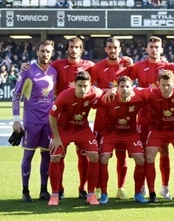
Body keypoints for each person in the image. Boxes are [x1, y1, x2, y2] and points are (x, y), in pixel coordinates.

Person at [48, 71, 103, 206]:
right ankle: (55, 195)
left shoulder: (94, 92)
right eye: (79, 86)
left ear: (90, 85)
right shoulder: (65, 96)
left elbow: (103, 93)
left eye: (85, 86)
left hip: (82, 129)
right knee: (55, 157)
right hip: (63, 129)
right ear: (74, 85)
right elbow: (52, 116)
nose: (82, 89)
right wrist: (56, 138)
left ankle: (91, 194)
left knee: (94, 156)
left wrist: (112, 91)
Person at [130, 36, 174, 200]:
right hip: (144, 116)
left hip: (162, 117)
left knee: (164, 150)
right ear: (146, 49)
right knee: (142, 153)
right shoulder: (138, 66)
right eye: (151, 46)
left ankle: (165, 187)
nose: (154, 49)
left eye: (157, 46)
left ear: (161, 49)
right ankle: (143, 186)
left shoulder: (169, 67)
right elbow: (126, 81)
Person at [50, 37, 96, 200]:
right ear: (67, 49)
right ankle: (59, 189)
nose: (74, 49)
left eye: (77, 47)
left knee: (84, 155)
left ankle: (83, 189)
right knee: (58, 155)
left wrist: (126, 61)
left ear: (81, 49)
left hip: (81, 119)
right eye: (71, 47)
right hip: (62, 116)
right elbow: (42, 71)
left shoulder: (90, 66)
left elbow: (100, 83)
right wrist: (27, 67)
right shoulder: (57, 65)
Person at [11, 40, 57, 202]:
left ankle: (44, 190)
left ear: (52, 53)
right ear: (37, 52)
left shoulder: (53, 71)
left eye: (48, 51)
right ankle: (25, 191)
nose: (45, 54)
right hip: (31, 123)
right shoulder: (28, 71)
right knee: (28, 155)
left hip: (48, 123)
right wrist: (16, 120)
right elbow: (16, 95)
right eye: (42, 51)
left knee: (46, 156)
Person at [88, 37, 133, 200]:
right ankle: (100, 188)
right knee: (102, 155)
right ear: (105, 50)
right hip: (103, 119)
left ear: (120, 49)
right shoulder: (97, 67)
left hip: (123, 118)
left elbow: (135, 86)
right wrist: (105, 92)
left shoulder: (127, 66)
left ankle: (121, 188)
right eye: (109, 48)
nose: (112, 50)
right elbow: (90, 89)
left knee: (122, 156)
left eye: (115, 47)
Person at [97, 76, 148, 204]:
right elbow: (94, 91)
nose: (125, 89)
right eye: (122, 87)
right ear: (117, 88)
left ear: (132, 88)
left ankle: (138, 193)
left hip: (130, 134)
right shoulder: (109, 98)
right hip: (110, 133)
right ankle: (103, 193)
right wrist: (107, 91)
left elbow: (152, 91)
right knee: (103, 158)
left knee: (141, 159)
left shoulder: (138, 98)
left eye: (127, 87)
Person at [144, 70, 174, 204]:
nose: (166, 88)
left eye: (168, 85)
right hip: (157, 129)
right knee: (149, 155)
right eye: (163, 85)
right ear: (158, 84)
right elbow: (134, 91)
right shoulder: (151, 93)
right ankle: (152, 193)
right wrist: (112, 91)